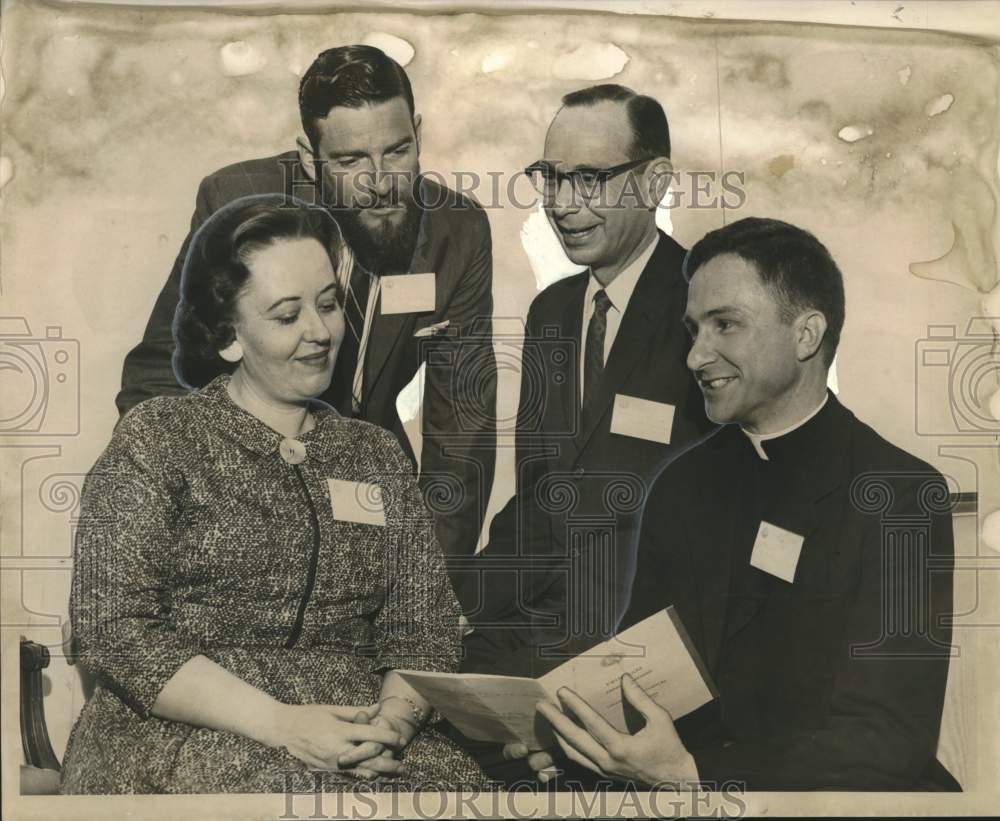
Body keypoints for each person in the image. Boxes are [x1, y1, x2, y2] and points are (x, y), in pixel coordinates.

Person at [509, 217, 960, 791]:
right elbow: (640, 676)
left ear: (806, 334)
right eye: (693, 329)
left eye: (726, 325)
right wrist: (578, 738)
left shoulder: (900, 495)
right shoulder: (681, 481)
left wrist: (692, 773)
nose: (697, 356)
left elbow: (888, 740)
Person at [60, 196, 489, 794]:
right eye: (287, 316)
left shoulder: (375, 454)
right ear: (230, 336)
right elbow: (111, 627)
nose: (319, 332)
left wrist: (387, 728)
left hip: (358, 723)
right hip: (187, 728)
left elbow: (423, 628)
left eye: (329, 304)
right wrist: (284, 725)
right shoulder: (159, 438)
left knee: (465, 796)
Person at [116, 44, 496, 568]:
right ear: (308, 158)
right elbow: (158, 376)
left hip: (370, 480)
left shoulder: (460, 230)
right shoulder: (238, 201)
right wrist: (168, 531)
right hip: (245, 479)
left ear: (419, 134)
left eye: (398, 151)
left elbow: (463, 424)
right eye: (350, 160)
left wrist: (436, 575)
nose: (381, 182)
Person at [455, 84, 712, 672]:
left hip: (650, 640)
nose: (564, 204)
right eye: (552, 177)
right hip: (540, 630)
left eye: (591, 178)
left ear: (655, 182)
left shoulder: (705, 306)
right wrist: (446, 605)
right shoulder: (552, 313)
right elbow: (538, 503)